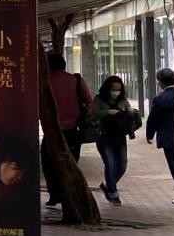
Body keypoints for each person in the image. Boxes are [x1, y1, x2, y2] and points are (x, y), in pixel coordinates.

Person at [43, 54, 94, 207]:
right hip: (73, 129)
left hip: (52, 130)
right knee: (72, 162)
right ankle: (70, 195)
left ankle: (54, 195)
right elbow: (89, 103)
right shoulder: (76, 80)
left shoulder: (45, 82)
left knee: (48, 162)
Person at [92, 74, 139, 206]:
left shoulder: (123, 99)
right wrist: (107, 112)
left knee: (122, 166)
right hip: (104, 136)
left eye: (118, 89)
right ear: (107, 88)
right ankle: (113, 194)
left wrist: (131, 111)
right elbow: (93, 113)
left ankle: (107, 184)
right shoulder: (99, 99)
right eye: (113, 89)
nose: (115, 92)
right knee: (110, 164)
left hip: (119, 136)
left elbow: (130, 111)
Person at [145, 68, 174, 205]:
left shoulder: (160, 99)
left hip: (169, 138)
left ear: (160, 83)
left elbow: (153, 119)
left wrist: (149, 135)